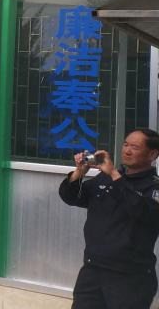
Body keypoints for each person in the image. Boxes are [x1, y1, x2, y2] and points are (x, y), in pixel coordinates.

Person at [59, 128, 159, 309]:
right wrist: (79, 172)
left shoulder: (153, 187)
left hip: (130, 276)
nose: (127, 151)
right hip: (93, 269)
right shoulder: (106, 178)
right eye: (125, 145)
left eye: (135, 147)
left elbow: (141, 211)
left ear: (153, 154)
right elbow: (72, 197)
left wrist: (114, 174)